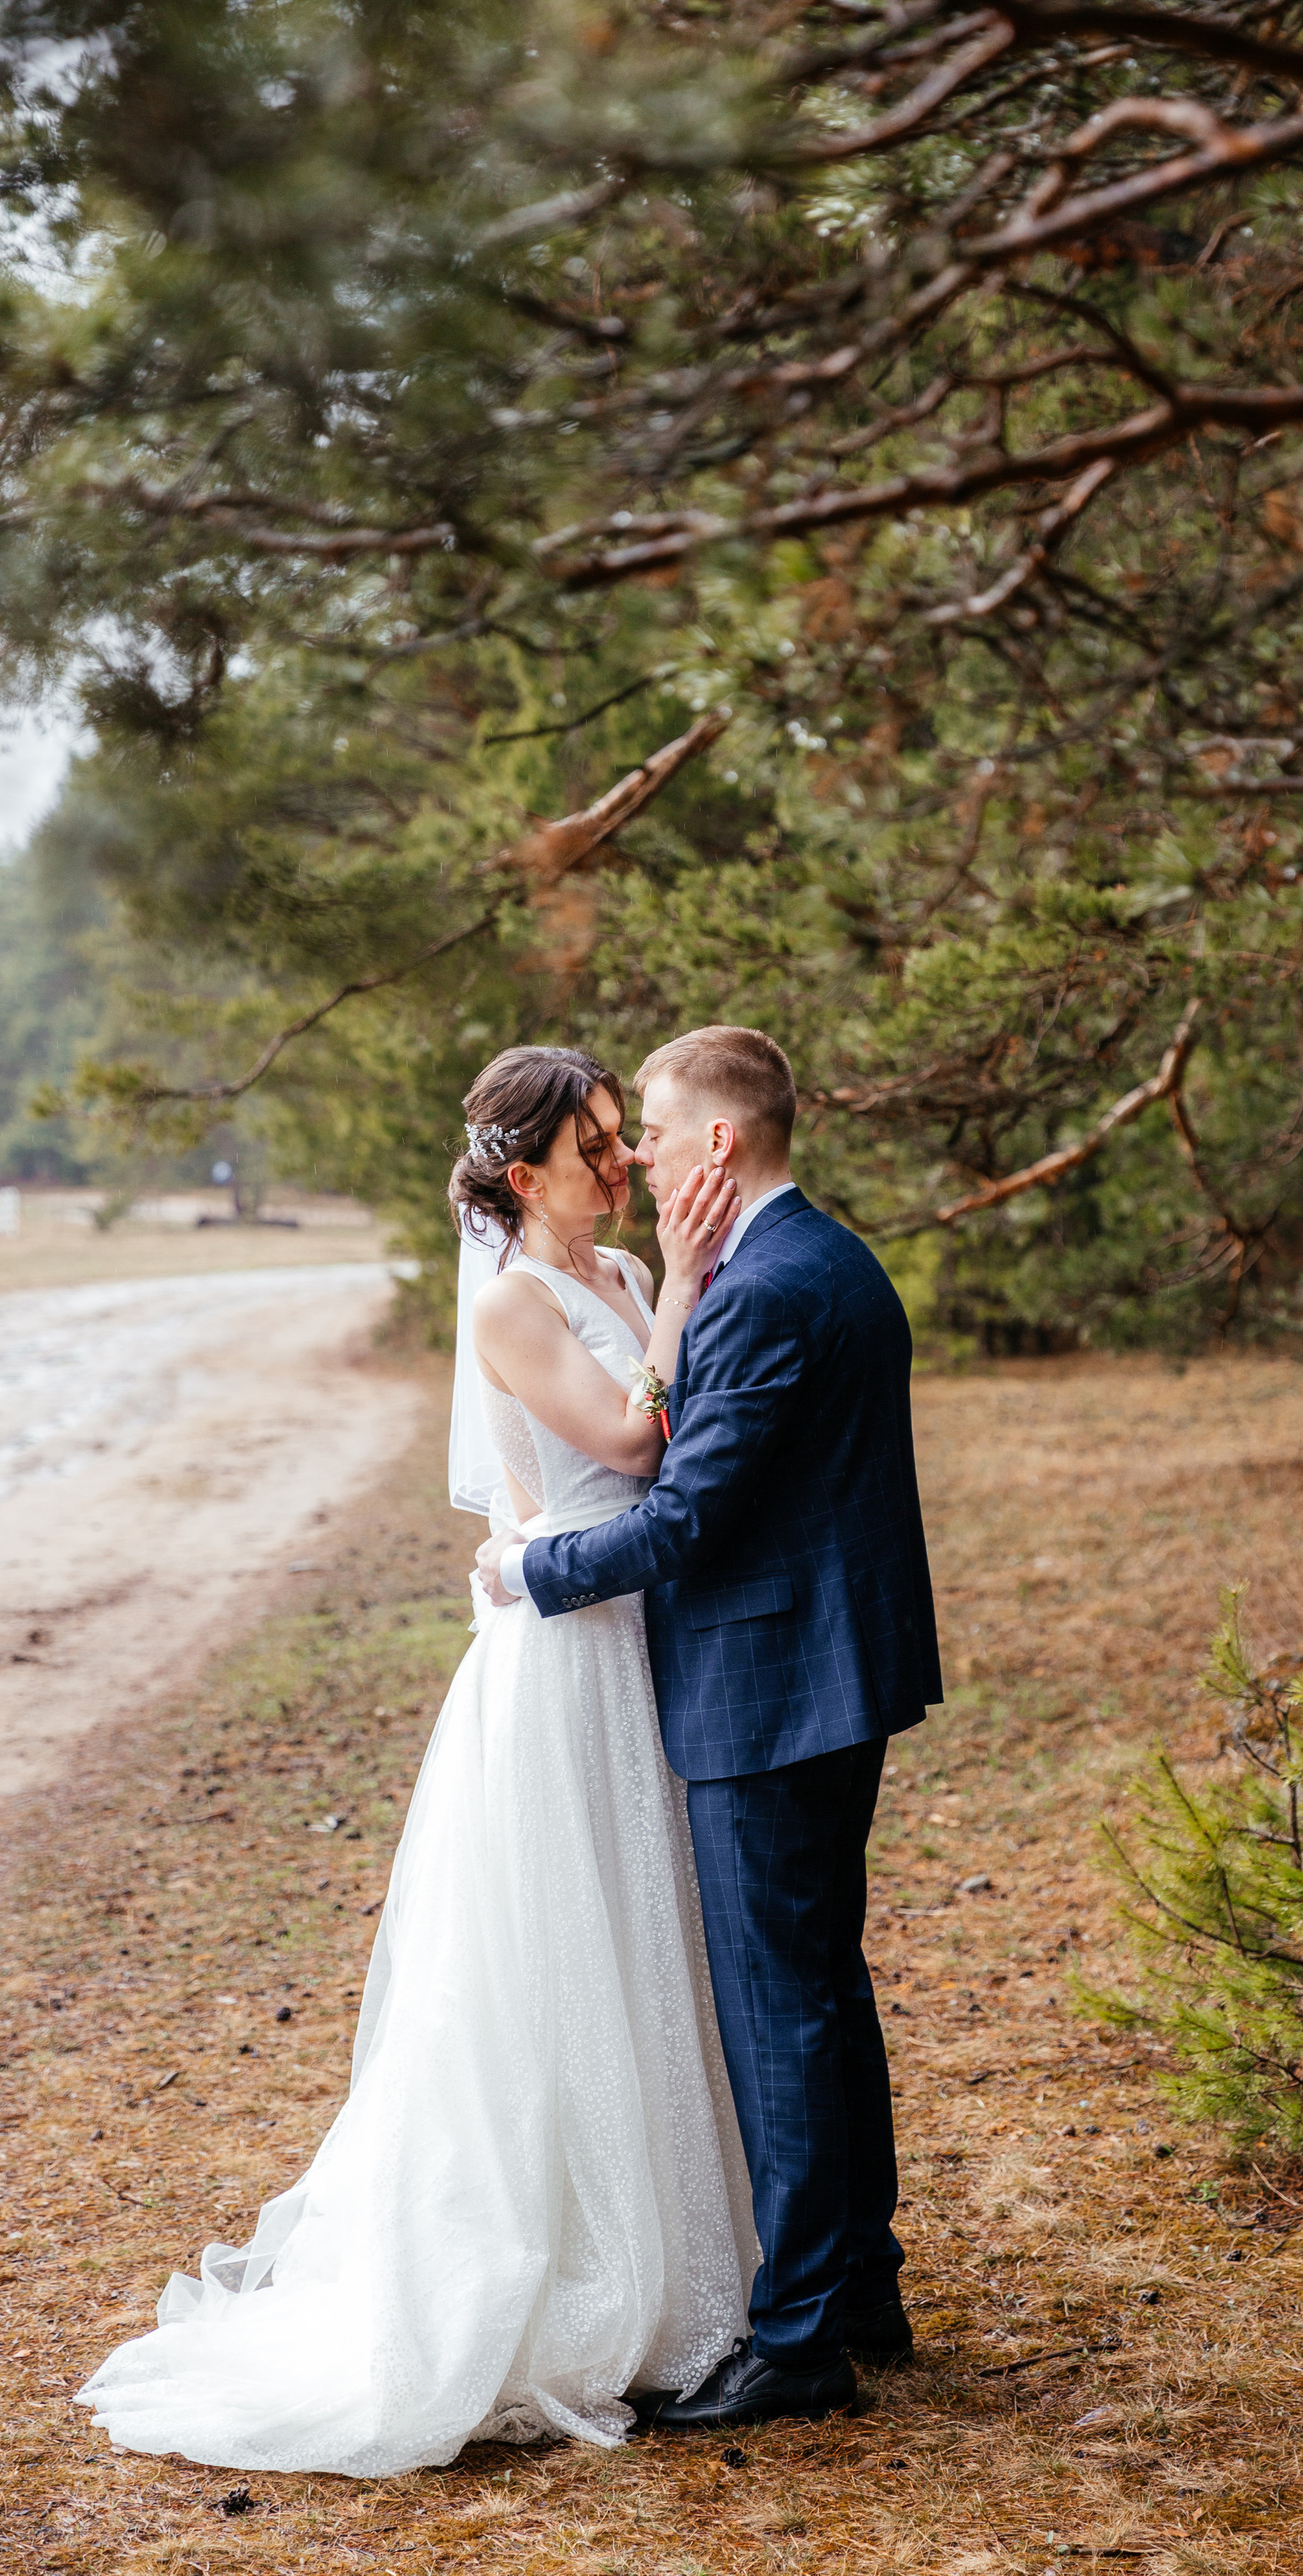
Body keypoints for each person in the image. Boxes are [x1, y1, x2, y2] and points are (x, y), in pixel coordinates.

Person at [76, 1045, 757, 2475]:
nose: (623, 1166)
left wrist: (670, 1289)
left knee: (659, 1940)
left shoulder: (625, 1277)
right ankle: (559, 2276)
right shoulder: (516, 1305)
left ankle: (694, 2258)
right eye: (593, 1149)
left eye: (622, 1138)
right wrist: (691, 1284)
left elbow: (686, 1428)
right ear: (521, 1177)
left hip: (639, 1638)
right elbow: (633, 1444)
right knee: (559, 1948)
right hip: (561, 1667)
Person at [478, 1023, 941, 2433]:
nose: (643, 1161)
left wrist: (527, 1573)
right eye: (615, 1145)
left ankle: (800, 2337)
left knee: (779, 2005)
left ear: (719, 1146)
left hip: (770, 1688)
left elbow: (686, 1516)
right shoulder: (827, 1258)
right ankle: (858, 2283)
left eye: (659, 1136)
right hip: (829, 1672)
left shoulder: (757, 1291)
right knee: (821, 1989)